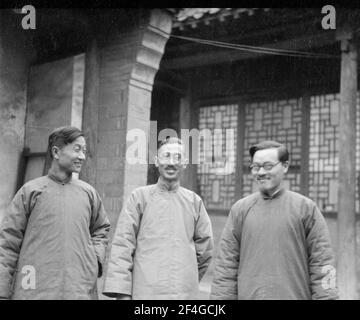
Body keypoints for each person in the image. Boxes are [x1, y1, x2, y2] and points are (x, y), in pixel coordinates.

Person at [210, 140, 338, 300]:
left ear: (285, 166)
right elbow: (225, 265)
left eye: (268, 166)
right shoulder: (240, 210)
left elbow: (323, 262)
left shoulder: (305, 208)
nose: (261, 172)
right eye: (256, 167)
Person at [0, 126, 110, 300]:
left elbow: (101, 230)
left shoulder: (89, 193)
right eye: (77, 149)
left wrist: (93, 261)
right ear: (56, 152)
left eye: (84, 151)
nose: (82, 156)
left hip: (79, 290)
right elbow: (8, 243)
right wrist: (3, 292)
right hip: (35, 290)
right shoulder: (30, 192)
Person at [102, 137, 214, 299]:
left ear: (185, 163)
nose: (171, 162)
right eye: (166, 156)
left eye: (177, 157)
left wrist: (187, 277)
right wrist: (122, 292)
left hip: (183, 293)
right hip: (145, 291)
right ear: (156, 161)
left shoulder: (194, 201)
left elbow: (205, 250)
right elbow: (123, 245)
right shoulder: (139, 197)